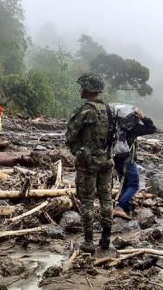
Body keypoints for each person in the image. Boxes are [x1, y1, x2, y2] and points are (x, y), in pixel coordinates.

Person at [65, 73, 114, 253]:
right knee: (106, 199)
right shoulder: (109, 109)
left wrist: (78, 151)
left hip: (88, 163)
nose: (80, 89)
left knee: (86, 201)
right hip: (107, 161)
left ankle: (88, 242)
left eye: (82, 86)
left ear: (87, 88)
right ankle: (106, 238)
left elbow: (70, 136)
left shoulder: (85, 110)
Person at [111, 104, 156, 218]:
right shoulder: (133, 128)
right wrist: (143, 117)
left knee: (126, 183)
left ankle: (126, 208)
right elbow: (152, 128)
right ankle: (120, 207)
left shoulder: (112, 126)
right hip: (128, 159)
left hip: (115, 158)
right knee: (134, 184)